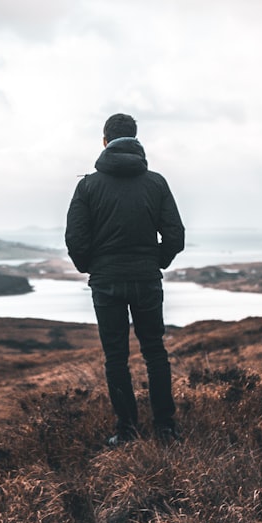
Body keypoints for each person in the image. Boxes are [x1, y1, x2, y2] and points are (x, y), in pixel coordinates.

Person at [65, 113, 186, 445]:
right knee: (154, 351)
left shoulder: (88, 186)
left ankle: (127, 431)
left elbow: (76, 240)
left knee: (115, 357)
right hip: (146, 279)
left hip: (106, 283)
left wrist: (93, 268)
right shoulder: (156, 183)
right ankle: (165, 428)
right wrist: (154, 261)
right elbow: (175, 236)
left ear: (104, 142)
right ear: (136, 140)